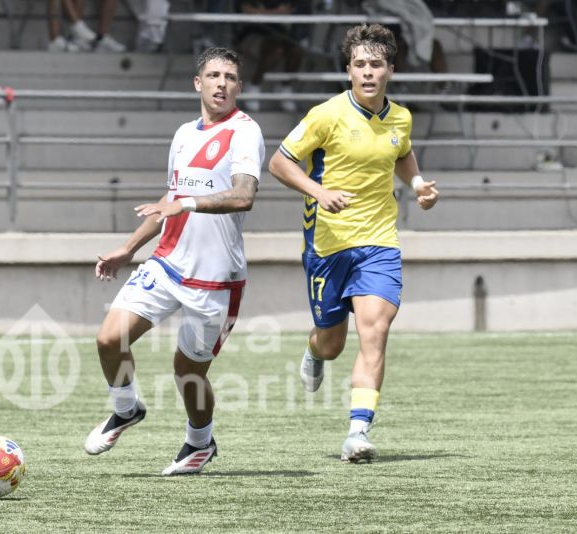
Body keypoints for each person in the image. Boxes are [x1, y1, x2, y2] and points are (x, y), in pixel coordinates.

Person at [83, 47, 265, 475]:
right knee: (109, 340)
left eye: (230, 77)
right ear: (198, 83)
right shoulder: (184, 134)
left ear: (239, 87)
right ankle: (126, 409)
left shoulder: (245, 132)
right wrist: (129, 248)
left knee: (187, 371)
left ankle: (200, 443)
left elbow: (244, 195)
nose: (222, 83)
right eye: (214, 75)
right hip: (167, 263)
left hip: (216, 280)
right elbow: (171, 198)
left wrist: (187, 203)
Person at [268, 23, 439, 463]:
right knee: (332, 343)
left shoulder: (401, 117)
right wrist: (319, 191)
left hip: (379, 242)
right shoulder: (326, 115)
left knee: (375, 331)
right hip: (328, 244)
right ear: (348, 70)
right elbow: (279, 163)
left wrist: (417, 184)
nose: (367, 72)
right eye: (360, 64)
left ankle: (357, 433)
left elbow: (402, 152)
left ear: (390, 71)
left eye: (376, 64)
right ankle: (314, 350)